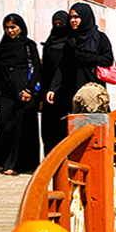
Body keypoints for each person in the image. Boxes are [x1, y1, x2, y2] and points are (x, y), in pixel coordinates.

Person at [0, 13, 42, 176]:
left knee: (21, 128)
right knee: (6, 127)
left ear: (20, 28)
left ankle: (14, 164)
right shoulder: (0, 49)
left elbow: (37, 69)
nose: (10, 31)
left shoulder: (28, 45)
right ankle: (1, 158)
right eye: (7, 27)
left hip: (23, 92)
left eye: (13, 27)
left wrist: (29, 90)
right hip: (5, 93)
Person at [47, 2, 115, 114]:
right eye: (71, 17)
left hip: (92, 88)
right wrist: (52, 89)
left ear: (85, 17)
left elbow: (107, 60)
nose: (73, 20)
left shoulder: (99, 38)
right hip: (72, 88)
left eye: (76, 17)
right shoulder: (70, 40)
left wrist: (84, 56)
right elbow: (62, 66)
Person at [39, 10, 70, 154]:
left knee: (64, 128)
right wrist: (41, 96)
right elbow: (44, 72)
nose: (58, 27)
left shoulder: (70, 44)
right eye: (55, 24)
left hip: (66, 92)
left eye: (61, 24)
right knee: (49, 130)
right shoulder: (48, 44)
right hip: (49, 96)